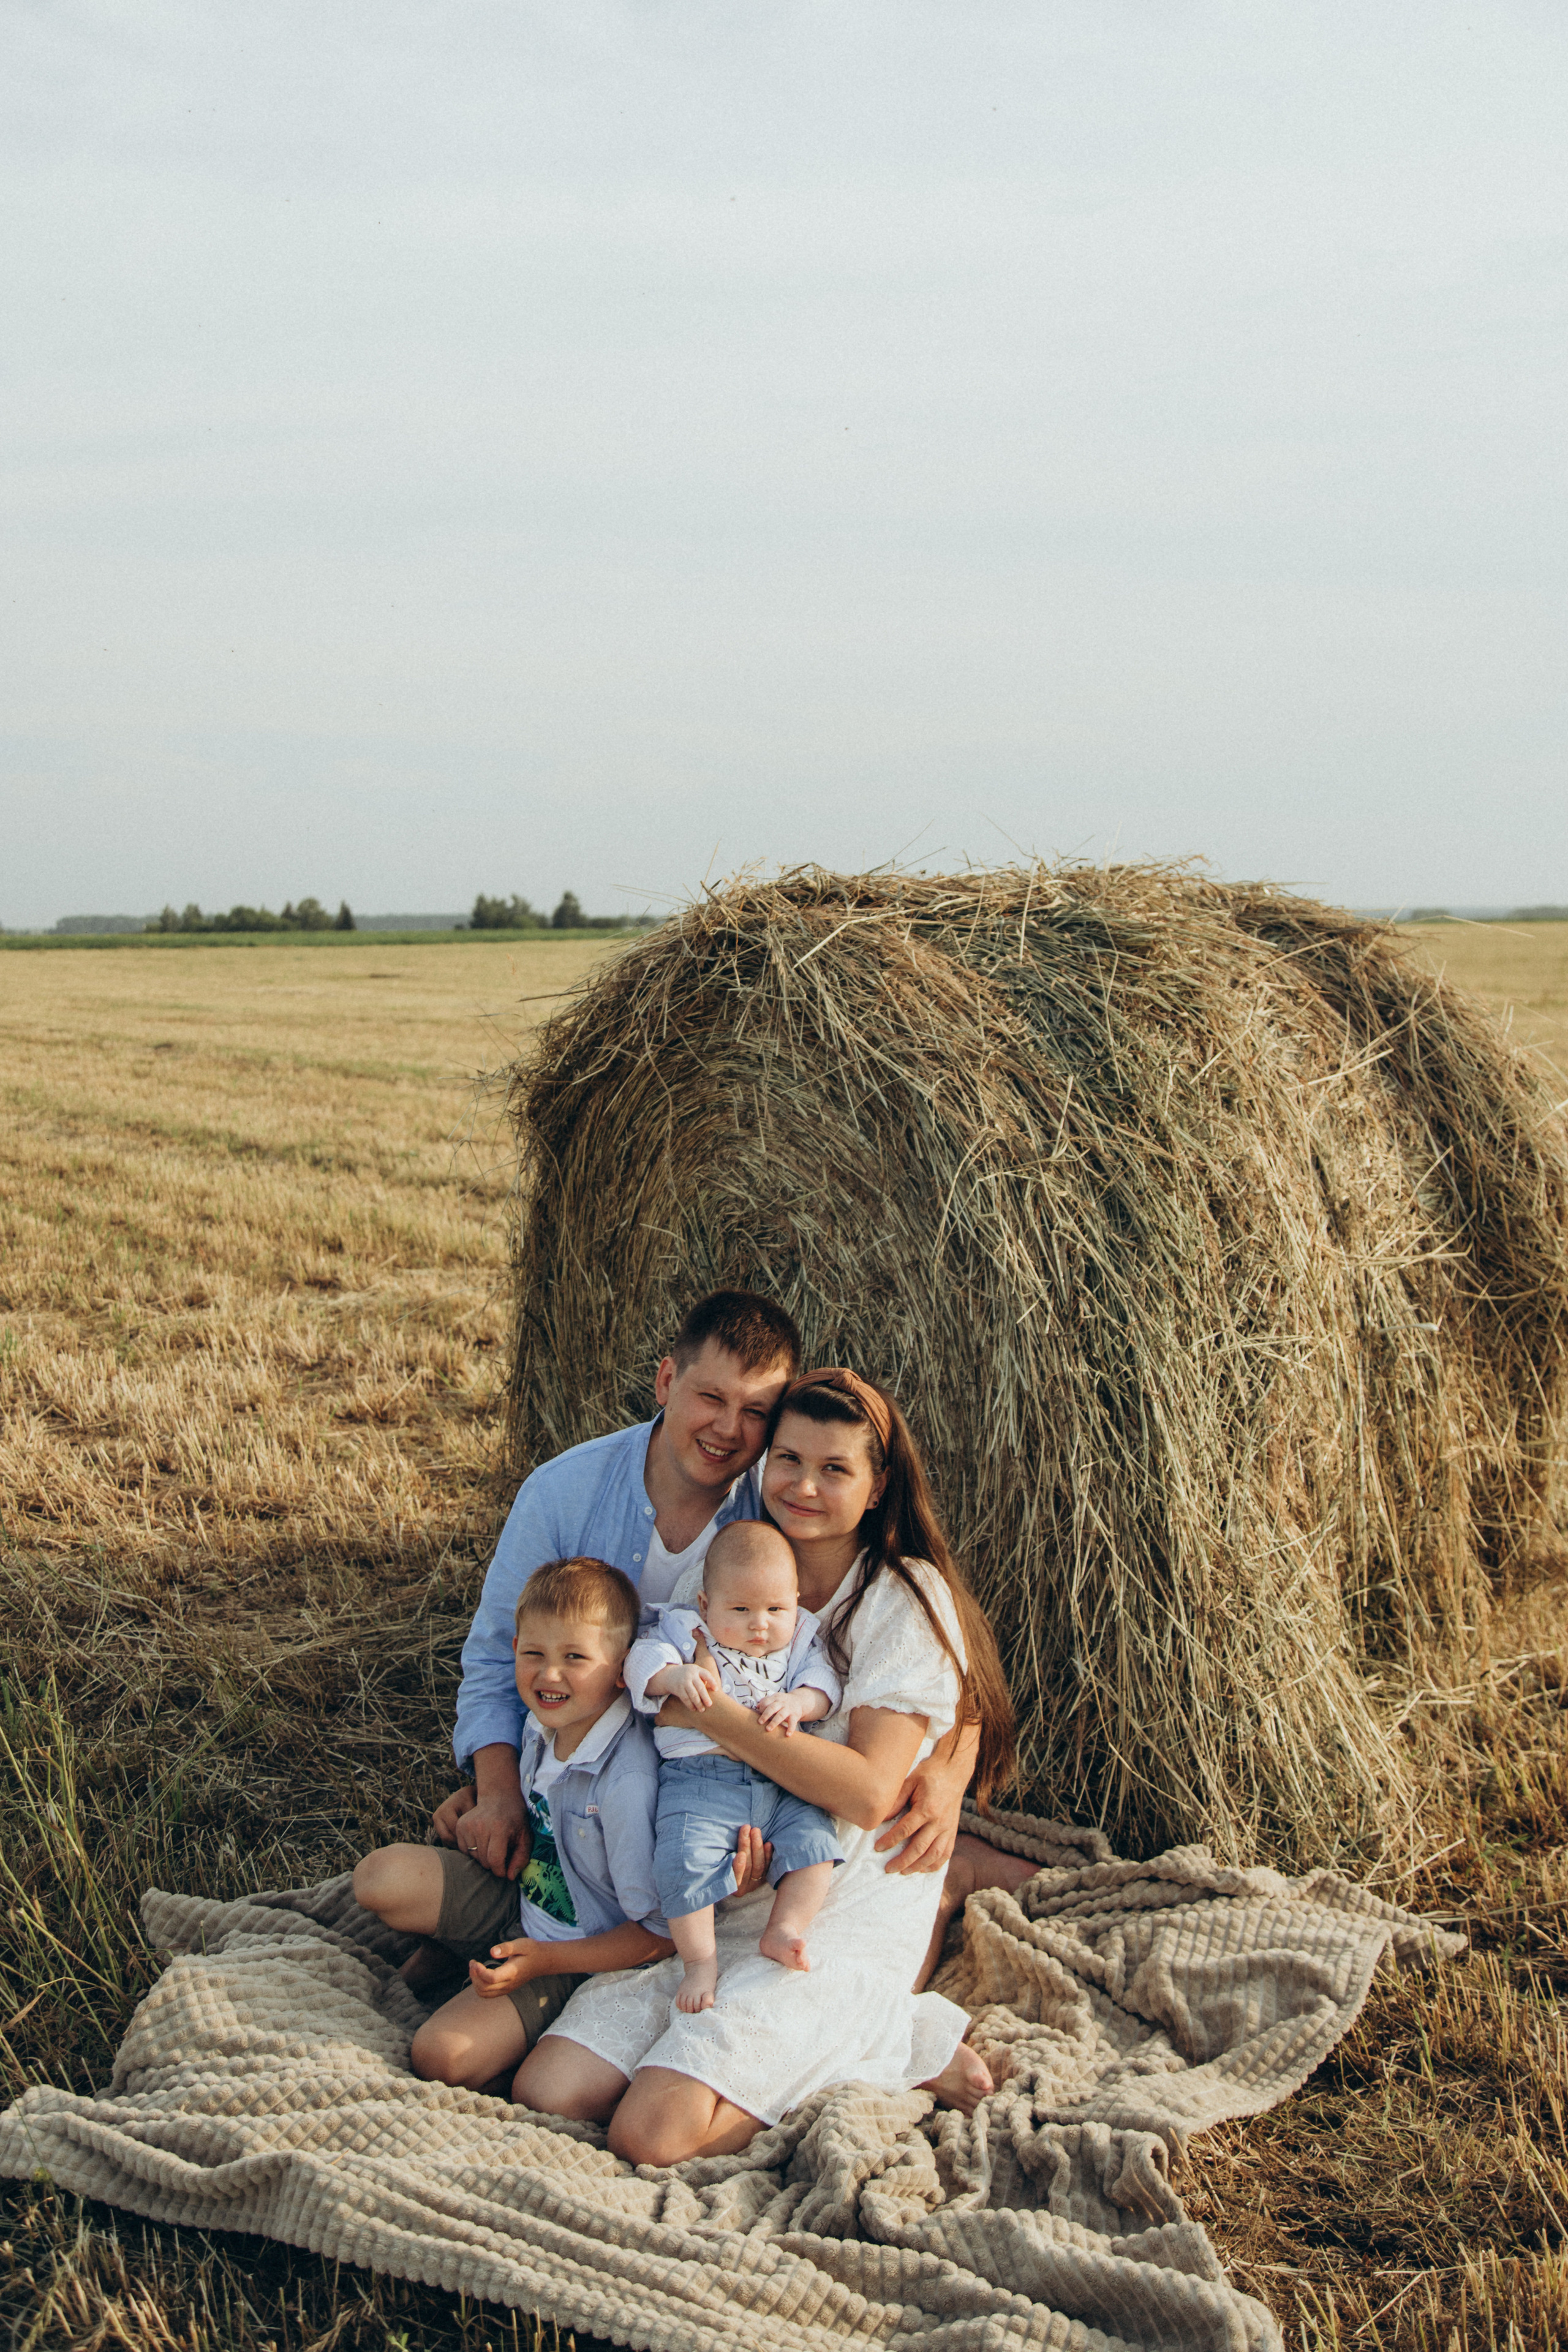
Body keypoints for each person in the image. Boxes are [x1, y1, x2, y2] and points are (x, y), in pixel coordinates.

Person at [511, 1367, 1023, 2162]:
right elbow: (653, 1696)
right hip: (727, 1875)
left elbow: (865, 1791)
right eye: (788, 1459)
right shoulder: (733, 1563)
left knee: (649, 2134)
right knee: (550, 2086)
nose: (804, 1486)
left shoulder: (899, 1596)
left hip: (839, 1889)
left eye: (835, 1469)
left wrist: (717, 1716)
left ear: (879, 1485)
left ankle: (891, 2037)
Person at [439, 1291, 804, 1885]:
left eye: (756, 1412)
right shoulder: (561, 1492)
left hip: (706, 1801)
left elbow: (882, 1611)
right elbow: (493, 1657)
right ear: (665, 1381)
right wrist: (498, 1793)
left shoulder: (778, 1517)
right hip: (565, 1783)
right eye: (710, 1397)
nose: (728, 1429)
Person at [352, 1558, 673, 2098]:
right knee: (378, 1878)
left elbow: (659, 1937)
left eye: (575, 1657)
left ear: (622, 1668)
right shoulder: (542, 1724)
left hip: (578, 1952)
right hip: (519, 1899)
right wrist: (476, 1799)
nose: (549, 1675)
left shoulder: (627, 1782)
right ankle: (463, 1954)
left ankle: (522, 2035)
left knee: (440, 2056)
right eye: (534, 1655)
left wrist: (545, 1960)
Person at [626, 1518, 844, 2011]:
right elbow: (640, 1660)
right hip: (700, 1781)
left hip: (781, 1784)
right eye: (741, 1609)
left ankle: (784, 1928)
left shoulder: (801, 1639)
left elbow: (825, 1684)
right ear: (706, 1604)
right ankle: (700, 1961)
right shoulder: (686, 1629)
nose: (759, 1624)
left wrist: (801, 1704)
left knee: (816, 1847)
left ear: (796, 1602)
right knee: (681, 1861)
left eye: (775, 1609)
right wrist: (672, 1675)